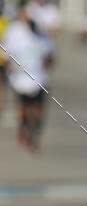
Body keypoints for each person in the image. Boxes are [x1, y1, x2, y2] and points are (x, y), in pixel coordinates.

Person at [3, 0, 54, 151]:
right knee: (23, 109)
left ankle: (34, 136)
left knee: (39, 111)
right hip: (20, 79)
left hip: (40, 78)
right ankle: (23, 128)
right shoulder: (14, 31)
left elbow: (51, 55)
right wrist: (10, 66)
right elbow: (6, 53)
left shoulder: (43, 33)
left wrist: (47, 63)